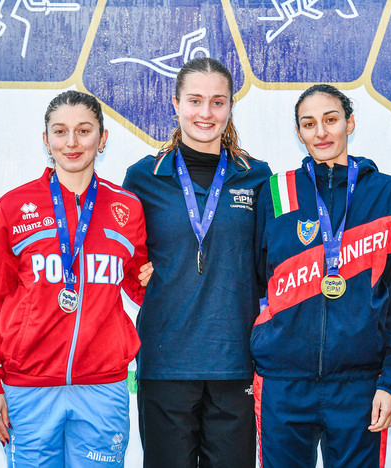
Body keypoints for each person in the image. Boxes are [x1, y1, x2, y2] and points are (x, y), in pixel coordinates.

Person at [0, 90, 150, 466]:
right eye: (60, 131)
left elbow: (137, 283)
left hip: (103, 387)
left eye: (84, 131)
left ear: (102, 139)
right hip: (28, 388)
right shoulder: (14, 207)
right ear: (46, 140)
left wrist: (154, 280)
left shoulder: (127, 207)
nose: (72, 143)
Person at [252, 84, 391, 468]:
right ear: (299, 133)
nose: (321, 132)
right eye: (309, 124)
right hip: (283, 382)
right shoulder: (276, 192)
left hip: (359, 384)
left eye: (331, 120)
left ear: (350, 122)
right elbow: (255, 282)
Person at [122, 57, 272, 468]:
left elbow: (270, 268)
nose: (206, 113)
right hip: (165, 361)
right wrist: (140, 278)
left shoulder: (257, 177)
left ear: (230, 107)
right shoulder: (142, 177)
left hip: (235, 360)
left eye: (217, 102)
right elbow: (126, 262)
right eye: (195, 101)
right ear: (175, 103)